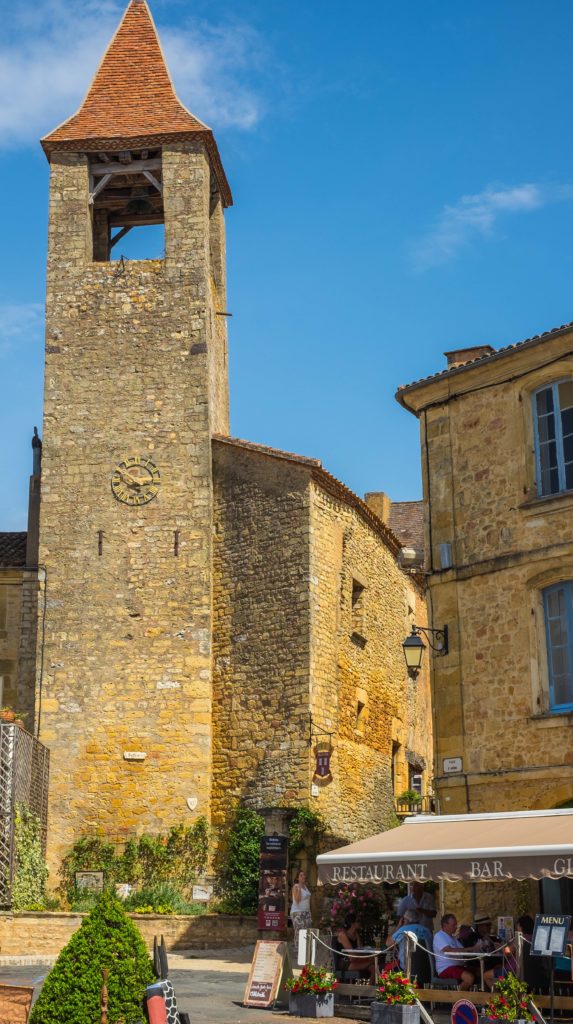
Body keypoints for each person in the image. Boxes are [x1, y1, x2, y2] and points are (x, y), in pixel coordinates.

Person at [433, 913, 483, 990]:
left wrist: (477, 949)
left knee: (480, 972)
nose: (456, 927)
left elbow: (463, 952)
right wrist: (472, 948)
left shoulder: (453, 938)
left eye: (456, 925)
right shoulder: (439, 936)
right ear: (445, 925)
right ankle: (457, 1000)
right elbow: (448, 950)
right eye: (453, 925)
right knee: (469, 978)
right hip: (446, 968)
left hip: (457, 967)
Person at [334, 913, 377, 982]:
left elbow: (360, 950)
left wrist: (365, 956)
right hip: (346, 963)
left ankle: (370, 989)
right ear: (352, 923)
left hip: (355, 960)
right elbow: (352, 956)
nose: (360, 923)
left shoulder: (356, 935)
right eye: (358, 921)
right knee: (373, 963)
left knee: (374, 967)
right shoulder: (343, 935)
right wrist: (366, 957)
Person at [290, 870, 312, 949]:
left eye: (304, 875)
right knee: (299, 932)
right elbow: (297, 900)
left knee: (306, 933)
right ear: (297, 878)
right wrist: (299, 888)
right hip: (297, 912)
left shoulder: (305, 887)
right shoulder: (296, 886)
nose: (303, 877)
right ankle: (297, 951)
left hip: (306, 912)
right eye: (301, 875)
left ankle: (304, 951)